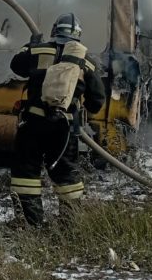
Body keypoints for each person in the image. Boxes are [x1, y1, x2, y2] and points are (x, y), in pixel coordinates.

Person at [9, 12, 106, 226]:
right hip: (65, 127)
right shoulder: (86, 61)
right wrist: (84, 110)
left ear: (55, 31)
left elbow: (16, 66)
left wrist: (30, 45)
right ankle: (69, 223)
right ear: (78, 36)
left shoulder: (37, 50)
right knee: (66, 173)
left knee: (26, 172)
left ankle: (30, 222)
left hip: (33, 124)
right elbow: (97, 100)